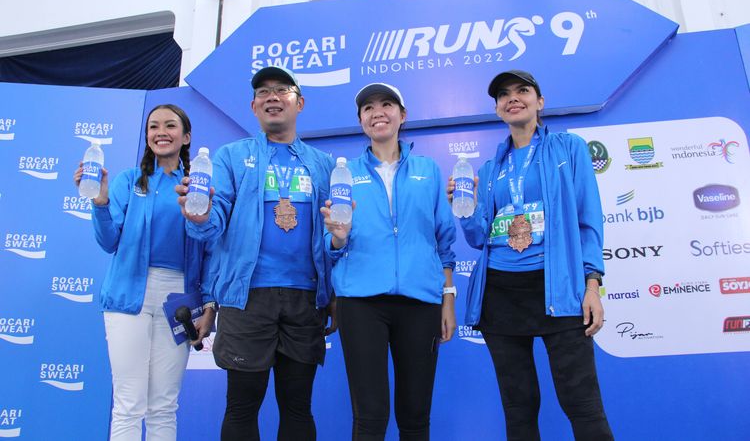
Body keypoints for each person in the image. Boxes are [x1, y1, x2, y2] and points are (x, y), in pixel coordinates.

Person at [449, 70, 614, 441]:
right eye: (504, 94)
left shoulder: (569, 148)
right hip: (501, 292)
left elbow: (588, 222)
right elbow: (479, 238)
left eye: (522, 90)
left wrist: (592, 286)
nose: (513, 98)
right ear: (497, 109)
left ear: (540, 101)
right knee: (518, 406)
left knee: (581, 402)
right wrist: (467, 209)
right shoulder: (490, 169)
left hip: (558, 288)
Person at [177, 66, 335, 441]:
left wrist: (334, 296)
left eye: (282, 90)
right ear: (253, 106)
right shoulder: (231, 156)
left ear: (300, 102)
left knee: (298, 407)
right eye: (263, 92)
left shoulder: (323, 164)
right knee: (241, 406)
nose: (272, 97)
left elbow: (336, 234)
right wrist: (197, 216)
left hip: (305, 299)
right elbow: (212, 222)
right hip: (246, 299)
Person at [321, 82, 457, 440]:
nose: (377, 112)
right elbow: (330, 244)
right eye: (368, 108)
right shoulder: (343, 173)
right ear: (361, 120)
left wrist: (448, 299)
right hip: (361, 303)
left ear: (402, 115)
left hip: (420, 302)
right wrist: (337, 235)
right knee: (370, 415)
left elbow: (444, 240)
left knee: (415, 415)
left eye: (386, 104)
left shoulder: (428, 170)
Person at [74, 104, 215, 441]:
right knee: (128, 404)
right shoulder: (127, 181)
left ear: (186, 136)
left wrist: (209, 305)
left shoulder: (198, 185)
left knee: (164, 406)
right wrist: (101, 202)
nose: (160, 132)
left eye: (170, 125)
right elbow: (109, 242)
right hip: (127, 297)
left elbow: (211, 252)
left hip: (180, 302)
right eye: (154, 127)